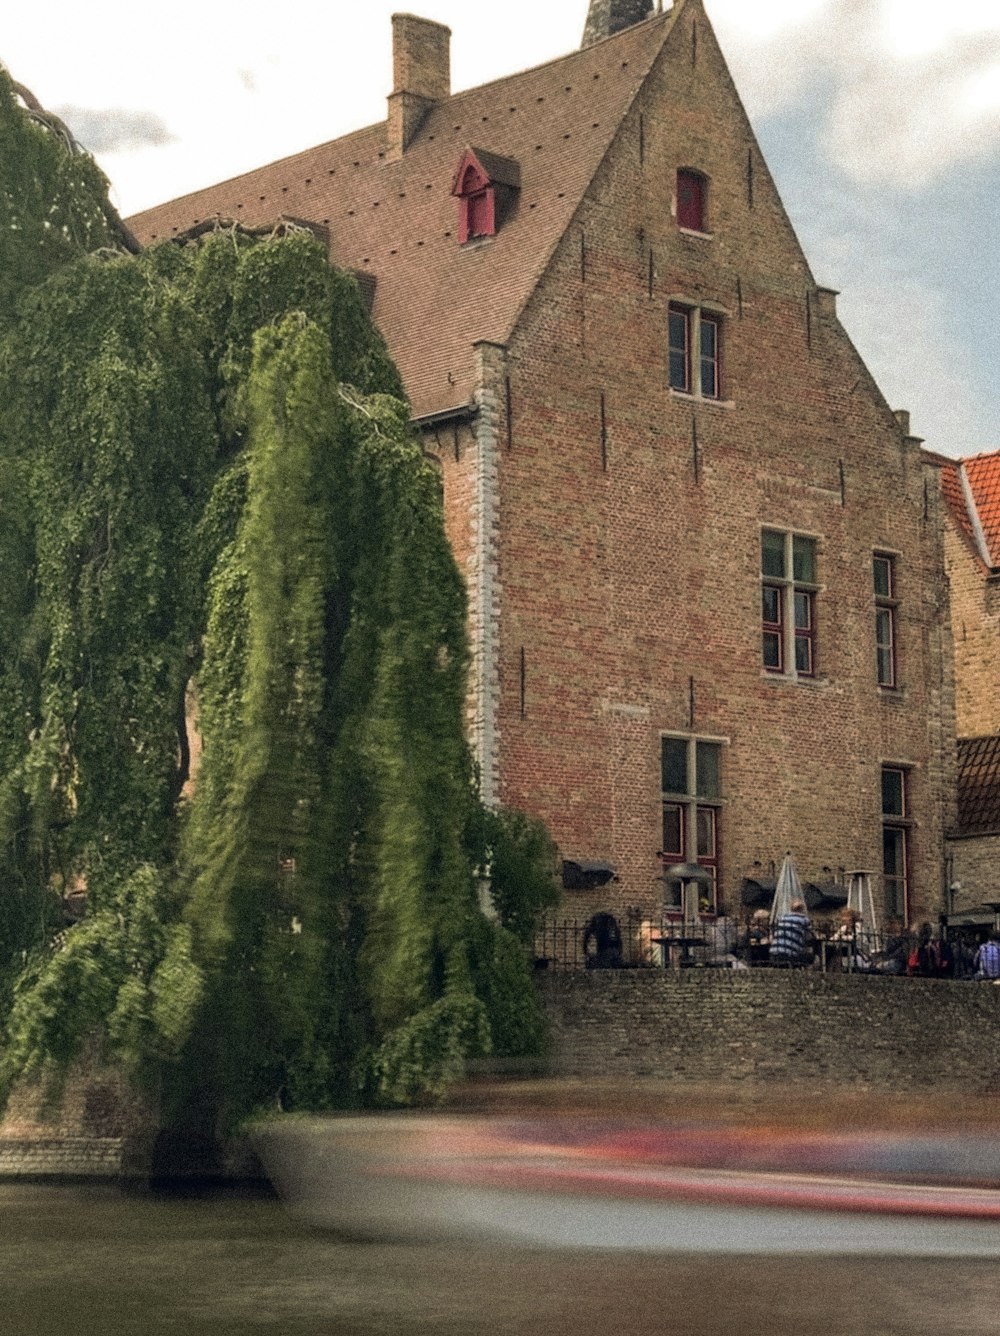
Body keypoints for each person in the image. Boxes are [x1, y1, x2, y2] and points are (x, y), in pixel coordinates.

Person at [769, 898, 811, 967]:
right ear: (802, 909)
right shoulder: (804, 920)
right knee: (812, 958)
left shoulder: (782, 918)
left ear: (791, 909)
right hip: (790, 955)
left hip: (774, 953)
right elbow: (808, 938)